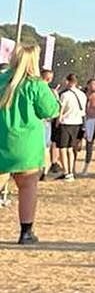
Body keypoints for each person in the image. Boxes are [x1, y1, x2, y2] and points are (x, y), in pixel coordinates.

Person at [1, 40, 61, 244]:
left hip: (1, 140)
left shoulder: (1, 80)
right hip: (26, 145)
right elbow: (51, 110)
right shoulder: (36, 85)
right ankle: (26, 232)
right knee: (27, 187)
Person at [53, 74, 85, 180]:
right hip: (77, 123)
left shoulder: (65, 95)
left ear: (68, 81)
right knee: (70, 149)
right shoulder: (82, 94)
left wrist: (57, 122)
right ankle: (71, 171)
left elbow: (61, 110)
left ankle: (66, 171)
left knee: (63, 148)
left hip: (65, 123)